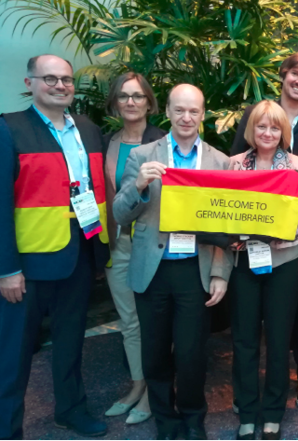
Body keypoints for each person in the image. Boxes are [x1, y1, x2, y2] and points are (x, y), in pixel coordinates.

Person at [113, 84, 232, 441]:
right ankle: (165, 422)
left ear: (203, 114)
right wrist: (138, 185)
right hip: (153, 271)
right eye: (179, 110)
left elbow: (225, 226)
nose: (186, 117)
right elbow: (120, 214)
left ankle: (194, 420)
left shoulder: (219, 161)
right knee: (155, 354)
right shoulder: (143, 155)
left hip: (194, 271)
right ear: (166, 111)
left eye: (193, 111)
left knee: (192, 355)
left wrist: (219, 274)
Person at [0, 54, 110, 439]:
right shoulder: (8, 129)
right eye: (50, 79)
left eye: (66, 79)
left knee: (70, 343)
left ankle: (71, 410)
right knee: (13, 355)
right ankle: (8, 428)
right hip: (27, 263)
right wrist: (6, 269)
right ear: (30, 83)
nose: (60, 86)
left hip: (77, 255)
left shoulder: (89, 129)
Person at [230, 53, 298, 408]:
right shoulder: (258, 113)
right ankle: (254, 383)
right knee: (258, 317)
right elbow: (233, 176)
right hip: (251, 241)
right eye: (295, 74)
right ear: (283, 76)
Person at [229, 100, 298, 441]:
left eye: (275, 127)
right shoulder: (232, 165)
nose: (268, 133)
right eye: (261, 126)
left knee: (279, 339)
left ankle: (273, 412)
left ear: (283, 132)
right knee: (245, 339)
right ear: (252, 130)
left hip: (286, 260)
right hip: (244, 260)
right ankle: (247, 411)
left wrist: (297, 208)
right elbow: (223, 214)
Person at [102, 72, 166, 425]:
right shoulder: (107, 142)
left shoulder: (163, 141)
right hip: (118, 243)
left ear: (149, 102)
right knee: (128, 321)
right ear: (115, 102)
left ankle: (153, 392)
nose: (131, 102)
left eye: (138, 96)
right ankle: (137, 385)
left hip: (152, 244)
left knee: (153, 321)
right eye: (124, 96)